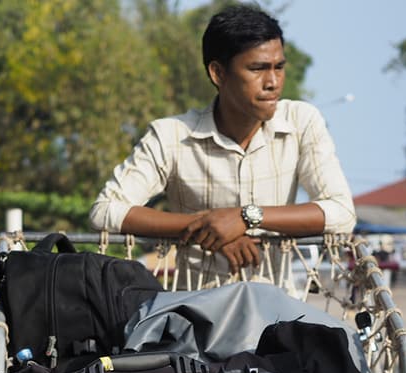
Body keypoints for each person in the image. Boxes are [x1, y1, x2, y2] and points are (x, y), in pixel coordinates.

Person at [90, 3, 356, 272]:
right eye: (257, 69)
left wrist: (246, 218)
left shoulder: (302, 121)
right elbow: (106, 210)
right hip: (195, 306)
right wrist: (210, 230)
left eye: (279, 67)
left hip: (277, 305)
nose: (273, 82)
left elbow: (341, 212)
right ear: (218, 73)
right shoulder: (171, 135)